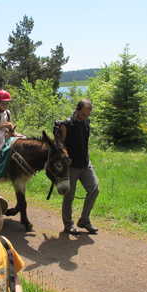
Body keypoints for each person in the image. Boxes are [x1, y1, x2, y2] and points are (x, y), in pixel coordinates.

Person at [58, 98, 100, 235]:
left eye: (87, 115)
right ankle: (68, 224)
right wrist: (65, 157)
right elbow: (59, 144)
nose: (84, 118)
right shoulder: (66, 125)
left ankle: (84, 220)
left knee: (94, 189)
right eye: (83, 115)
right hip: (71, 166)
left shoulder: (86, 122)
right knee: (69, 196)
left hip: (85, 164)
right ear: (77, 110)